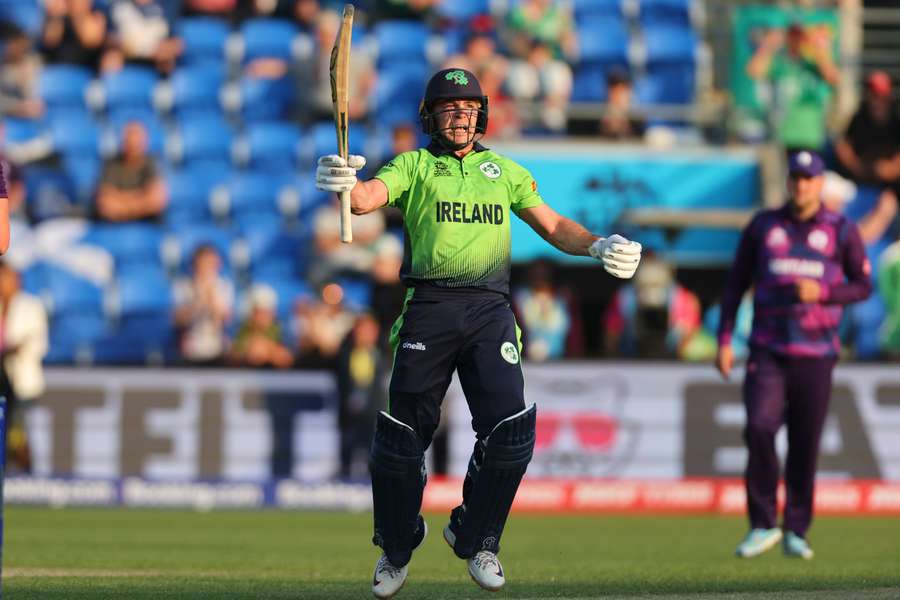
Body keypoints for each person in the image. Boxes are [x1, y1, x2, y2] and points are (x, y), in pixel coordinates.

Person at [315, 67, 642, 598]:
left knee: (511, 432)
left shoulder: (506, 171)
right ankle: (396, 546)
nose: (461, 116)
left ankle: (478, 534)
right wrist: (344, 185)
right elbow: (367, 197)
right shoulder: (414, 165)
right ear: (430, 116)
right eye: (450, 108)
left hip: (491, 308)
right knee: (401, 441)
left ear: (481, 114)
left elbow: (555, 226)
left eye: (468, 108)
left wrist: (598, 246)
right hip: (429, 306)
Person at [716, 150, 872, 561]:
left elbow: (862, 286)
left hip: (817, 352)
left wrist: (823, 292)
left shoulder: (840, 229)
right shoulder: (764, 226)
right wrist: (725, 339)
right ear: (788, 182)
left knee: (805, 443)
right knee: (760, 428)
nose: (801, 185)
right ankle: (763, 524)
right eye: (796, 178)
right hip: (767, 347)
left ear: (821, 184)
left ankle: (796, 530)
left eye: (809, 179)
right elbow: (735, 285)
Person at [746, 22, 839, 153]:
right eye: (792, 37)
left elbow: (833, 78)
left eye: (799, 37)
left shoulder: (813, 66)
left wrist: (818, 47)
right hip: (781, 137)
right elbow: (753, 70)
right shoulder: (780, 65)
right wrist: (768, 46)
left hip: (809, 138)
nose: (795, 41)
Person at [0, 261, 49, 473]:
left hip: (21, 382)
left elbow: (34, 343)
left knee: (19, 435)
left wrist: (9, 349)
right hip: (1, 380)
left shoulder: (31, 306)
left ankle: (29, 476)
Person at [334, 312, 386, 479]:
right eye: (361, 330)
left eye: (369, 330)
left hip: (373, 415)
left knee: (373, 454)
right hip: (349, 415)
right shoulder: (345, 353)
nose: (364, 334)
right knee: (347, 452)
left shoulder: (382, 355)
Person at [834, 70, 900, 186]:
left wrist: (888, 169)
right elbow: (843, 146)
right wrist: (857, 166)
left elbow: (893, 168)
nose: (877, 101)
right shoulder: (859, 119)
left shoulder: (896, 123)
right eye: (873, 95)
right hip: (858, 182)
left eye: (881, 96)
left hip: (891, 188)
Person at [95, 121, 167, 222]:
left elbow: (156, 201)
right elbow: (106, 206)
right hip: (114, 227)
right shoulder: (111, 164)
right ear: (123, 141)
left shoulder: (152, 163)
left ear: (145, 141)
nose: (133, 143)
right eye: (130, 138)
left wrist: (120, 200)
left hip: (148, 225)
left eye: (137, 139)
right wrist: (142, 198)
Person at [173, 245, 234, 365]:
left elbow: (224, 319)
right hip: (191, 349)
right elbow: (179, 321)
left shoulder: (224, 286)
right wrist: (198, 299)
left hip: (217, 349)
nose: (207, 269)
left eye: (211, 265)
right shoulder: (183, 286)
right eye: (203, 264)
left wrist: (210, 295)